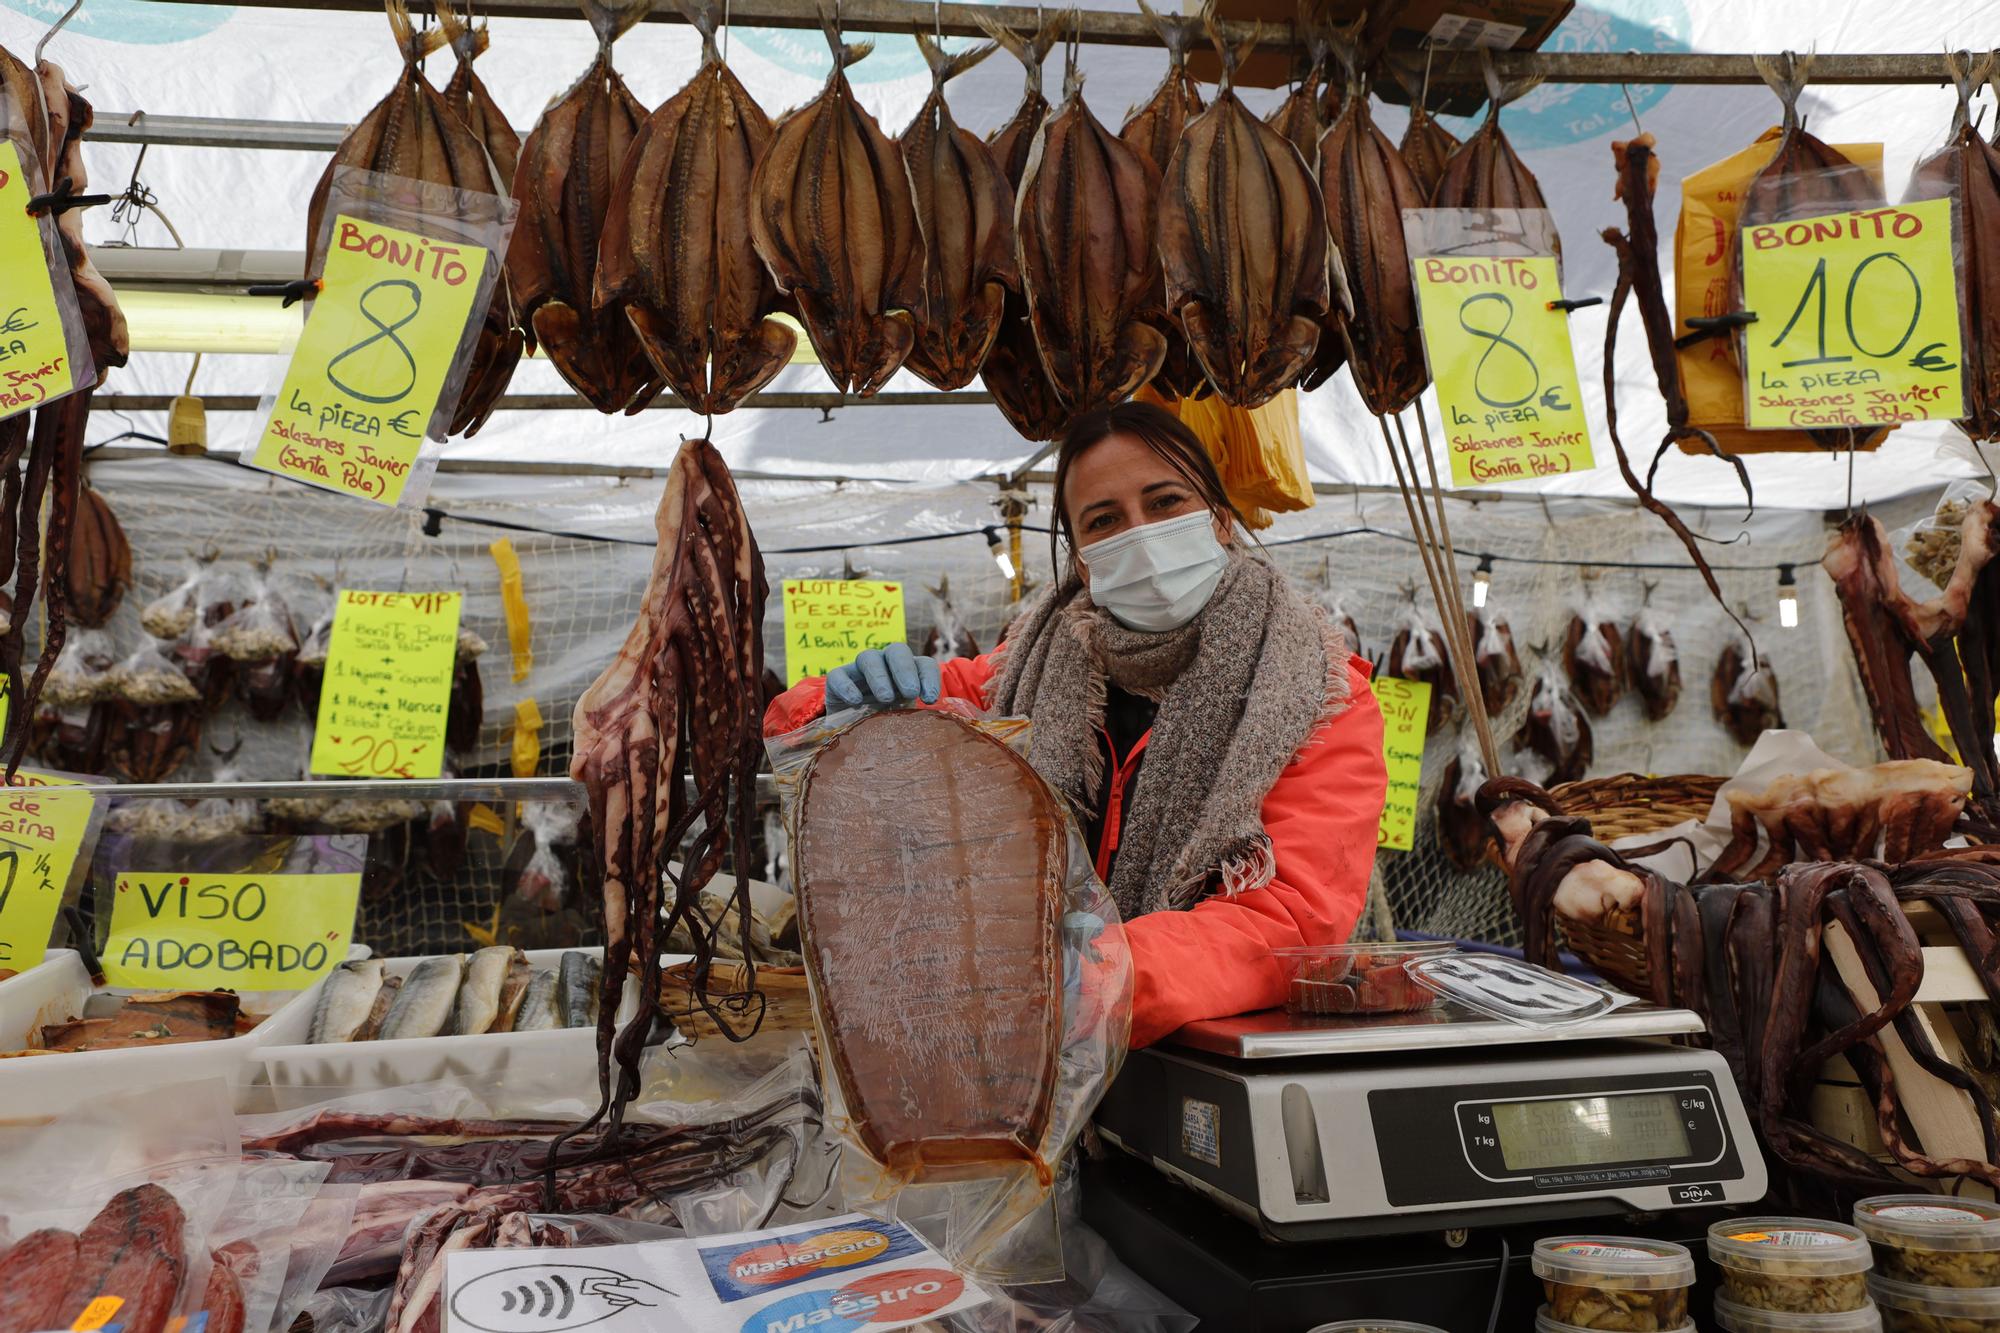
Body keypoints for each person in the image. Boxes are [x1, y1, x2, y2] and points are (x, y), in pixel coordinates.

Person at [764, 401, 1388, 1047]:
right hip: (1015, 1056)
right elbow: (807, 727)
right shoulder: (1019, 675)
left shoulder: (1316, 695)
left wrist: (1109, 970)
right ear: (1084, 560)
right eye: (1105, 519)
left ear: (1220, 521)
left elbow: (1290, 917)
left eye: (1166, 501)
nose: (1141, 533)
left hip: (1187, 1067)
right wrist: (832, 710)